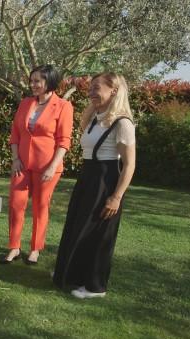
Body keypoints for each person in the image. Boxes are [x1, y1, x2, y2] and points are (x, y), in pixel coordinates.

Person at [53, 73, 136, 299]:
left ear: (114, 91)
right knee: (77, 226)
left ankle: (95, 287)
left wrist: (116, 197)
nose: (90, 92)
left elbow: (129, 165)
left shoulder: (123, 123)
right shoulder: (94, 118)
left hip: (105, 180)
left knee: (98, 233)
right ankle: (73, 275)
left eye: (96, 88)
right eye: (90, 88)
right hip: (87, 177)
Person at [1, 65, 73, 265]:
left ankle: (35, 249)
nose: (32, 84)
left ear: (49, 82)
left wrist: (52, 166)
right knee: (16, 205)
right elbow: (15, 133)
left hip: (47, 167)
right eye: (31, 81)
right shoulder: (25, 103)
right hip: (21, 164)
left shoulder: (63, 106)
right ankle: (14, 247)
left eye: (37, 81)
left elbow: (64, 141)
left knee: (40, 207)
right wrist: (15, 158)